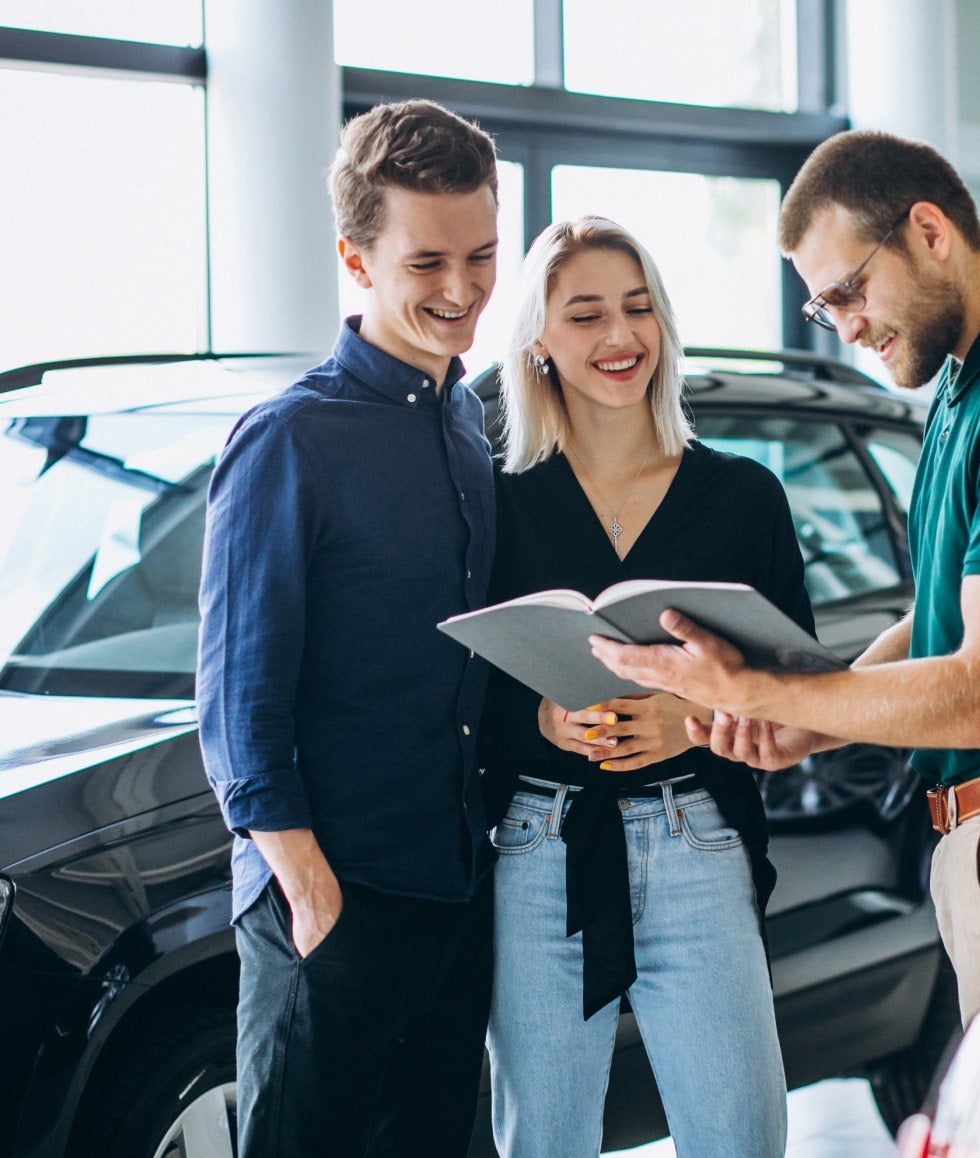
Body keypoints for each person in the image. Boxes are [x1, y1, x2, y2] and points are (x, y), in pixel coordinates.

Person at [591, 130, 980, 1025]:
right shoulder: (973, 383)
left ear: (930, 233)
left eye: (849, 291)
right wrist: (804, 720)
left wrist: (755, 688)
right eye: (824, 307)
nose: (847, 326)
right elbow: (943, 618)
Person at [197, 99, 500, 1156]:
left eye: (481, 255)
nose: (462, 288)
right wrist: (307, 886)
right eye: (427, 264)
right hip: (330, 904)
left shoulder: (468, 423)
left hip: (453, 896)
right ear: (355, 258)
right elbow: (237, 702)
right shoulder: (289, 439)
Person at [479, 215, 807, 1157]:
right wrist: (543, 717)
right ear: (538, 341)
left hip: (696, 835)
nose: (620, 337)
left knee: (741, 1139)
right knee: (543, 1141)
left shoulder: (743, 496)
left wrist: (691, 720)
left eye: (638, 309)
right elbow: (459, 696)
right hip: (538, 846)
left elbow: (799, 687)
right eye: (586, 315)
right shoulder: (498, 498)